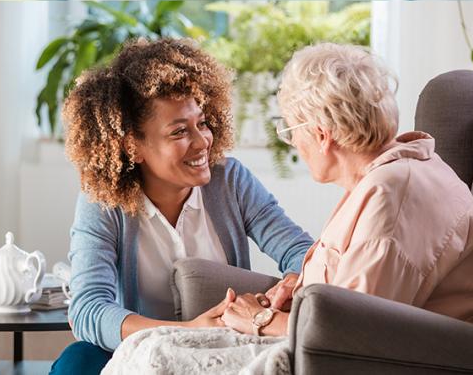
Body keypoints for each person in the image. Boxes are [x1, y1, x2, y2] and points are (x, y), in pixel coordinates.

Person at [48, 38, 314, 375]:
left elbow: (300, 251)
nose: (203, 141)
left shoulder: (229, 181)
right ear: (133, 146)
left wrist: (291, 284)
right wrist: (186, 332)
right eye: (179, 132)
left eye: (201, 123)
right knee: (78, 361)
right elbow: (88, 310)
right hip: (140, 353)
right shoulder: (102, 203)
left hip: (222, 348)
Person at [220, 42, 473, 337]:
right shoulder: (394, 174)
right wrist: (302, 288)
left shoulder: (392, 196)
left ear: (321, 134)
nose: (295, 144)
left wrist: (261, 320)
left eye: (290, 131)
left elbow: (352, 331)